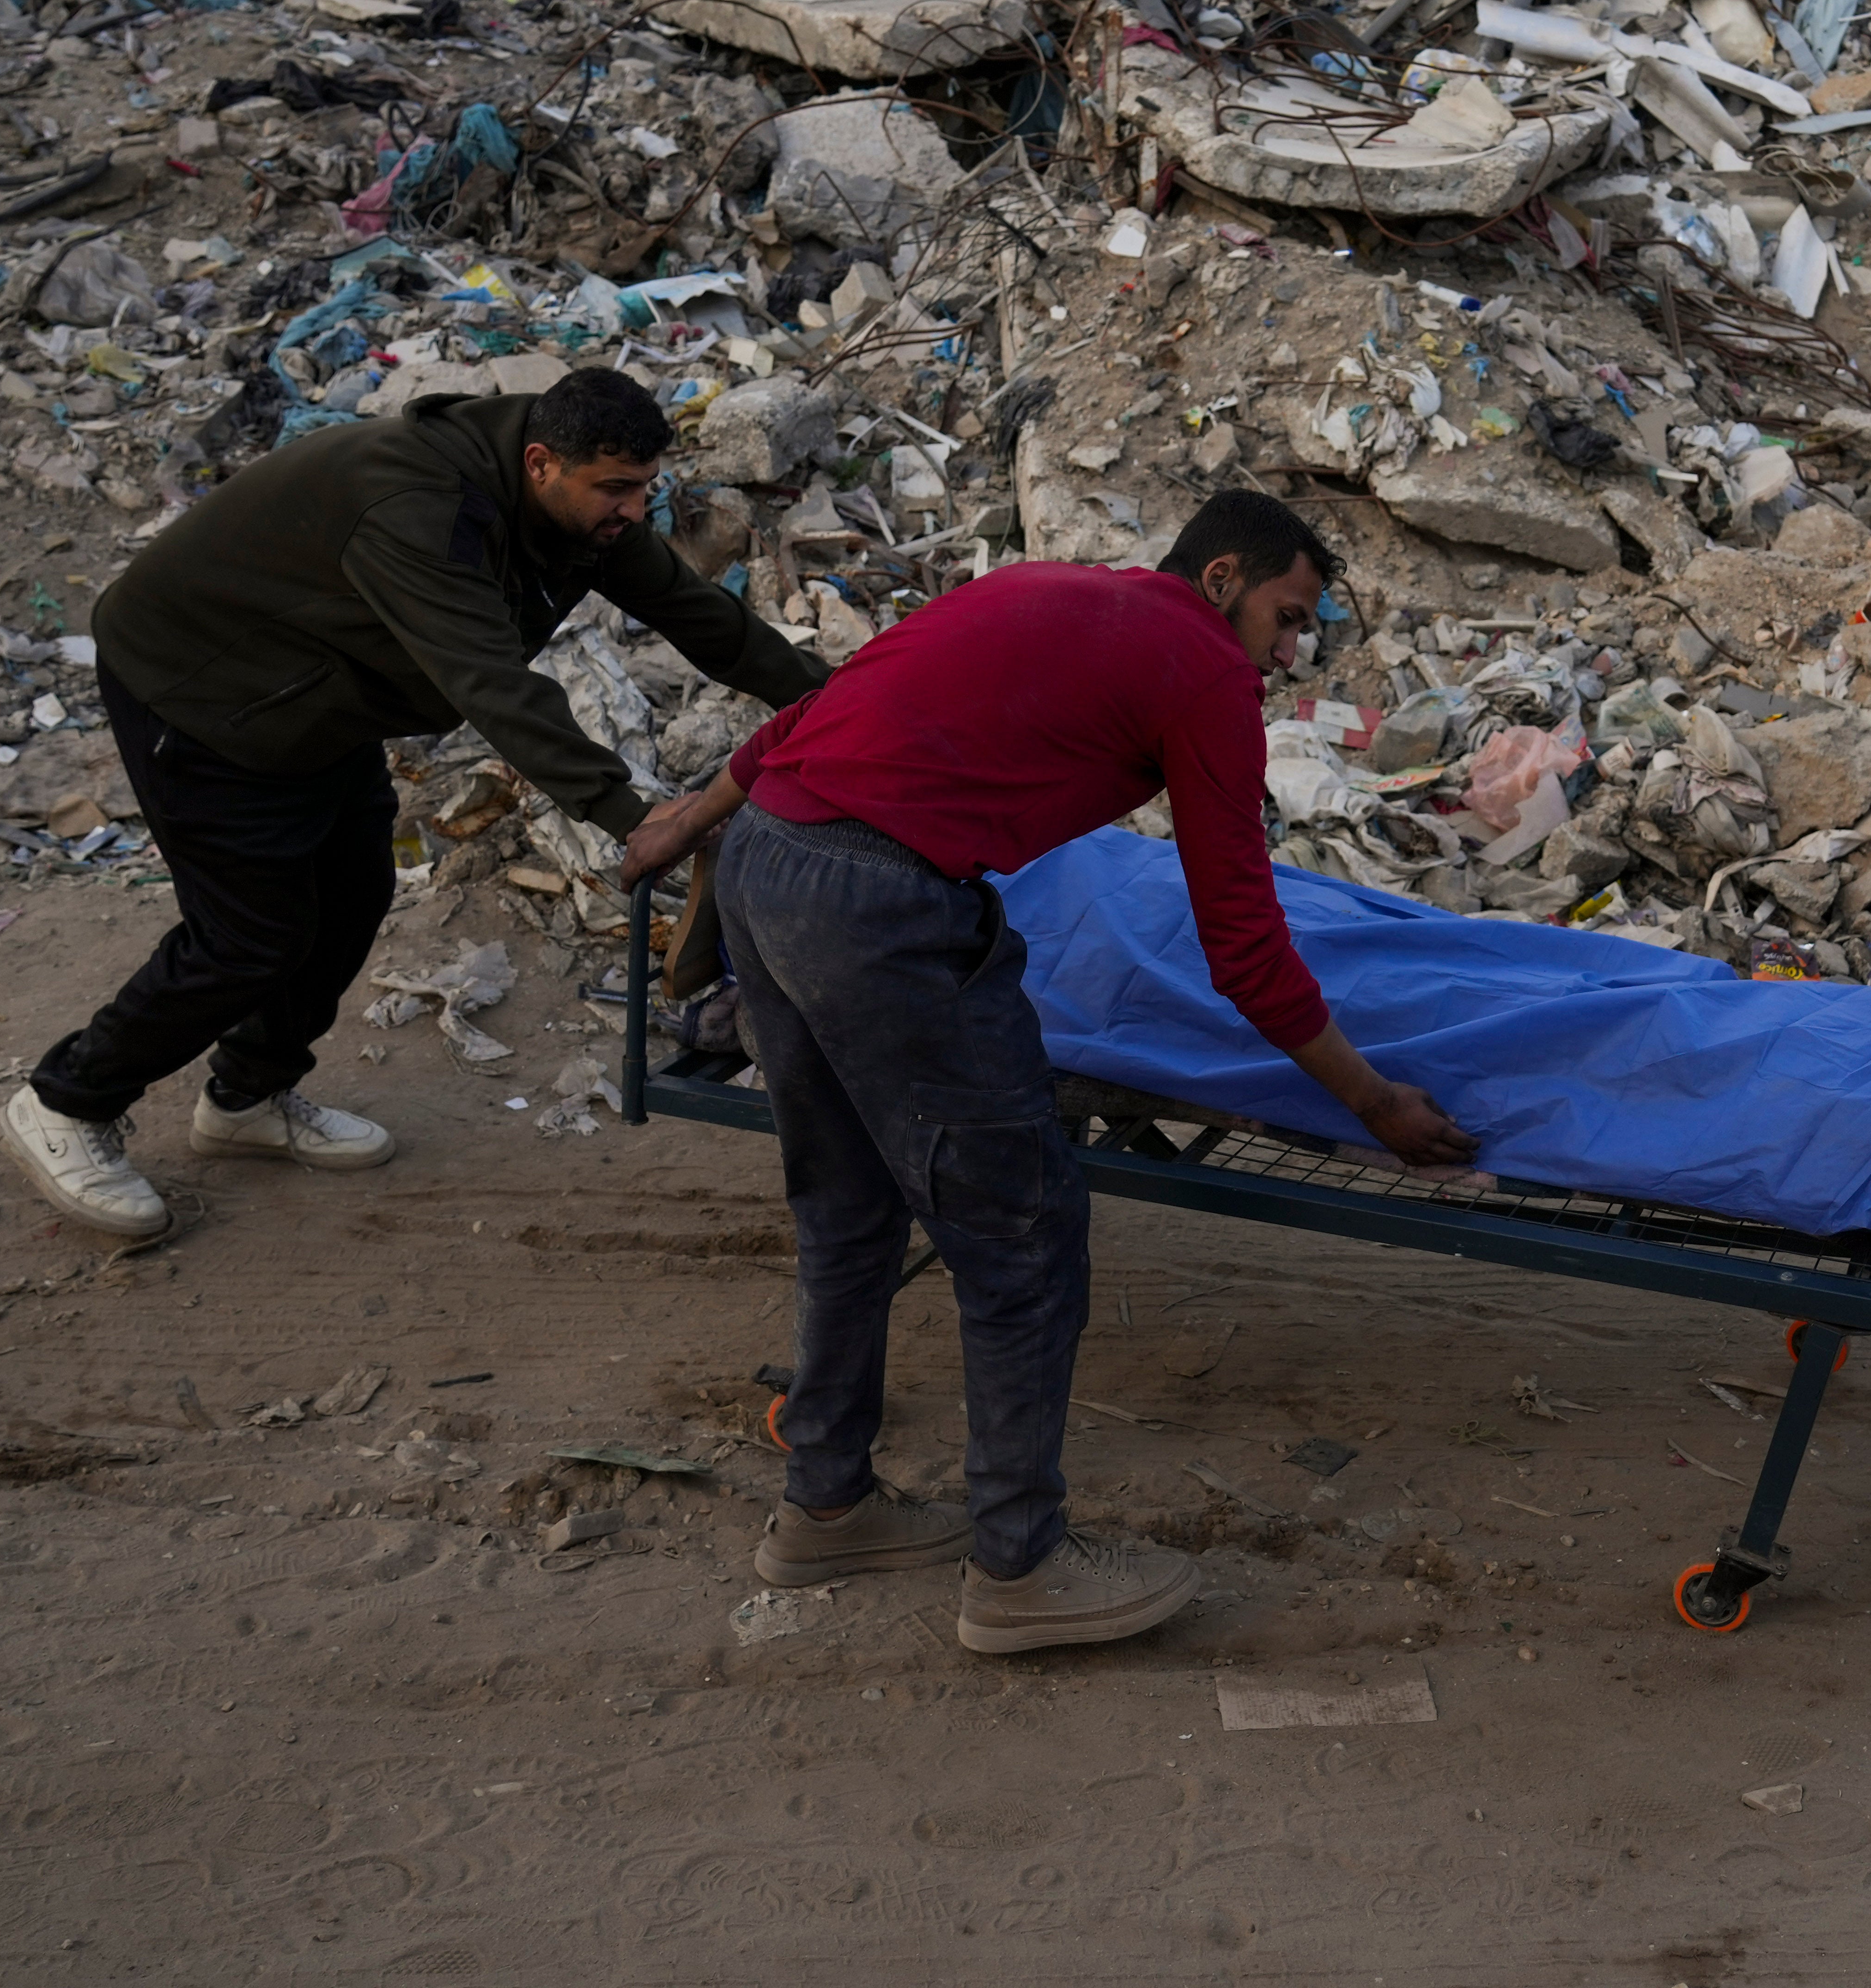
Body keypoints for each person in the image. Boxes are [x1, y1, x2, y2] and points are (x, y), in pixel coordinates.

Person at [620, 488, 1466, 1655]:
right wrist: (1370, 1100)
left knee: (847, 1204)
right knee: (1021, 1236)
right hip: (879, 906)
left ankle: (826, 1505)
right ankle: (1021, 1568)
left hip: (767, 862)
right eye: (1285, 616)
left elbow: (818, 709)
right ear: (1221, 578)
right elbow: (1243, 942)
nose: (1285, 652)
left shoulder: (1039, 585)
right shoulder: (1204, 674)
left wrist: (687, 819)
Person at [0, 366, 825, 1240]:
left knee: (353, 896)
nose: (631, 509)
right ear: (542, 464)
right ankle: (66, 1103)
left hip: (315, 699)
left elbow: (700, 617)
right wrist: (633, 814)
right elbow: (492, 685)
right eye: (617, 491)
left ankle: (247, 1097)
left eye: (644, 489)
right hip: (198, 690)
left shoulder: (580, 503)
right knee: (249, 935)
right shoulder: (415, 507)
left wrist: (842, 704)